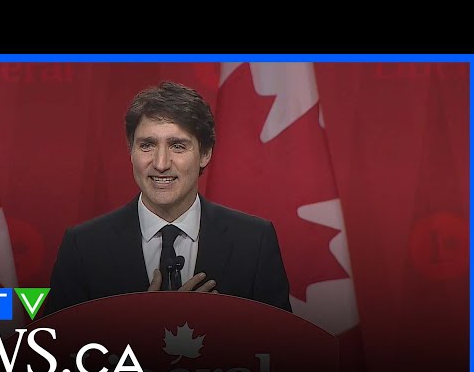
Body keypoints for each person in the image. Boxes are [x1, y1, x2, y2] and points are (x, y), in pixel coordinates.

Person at [45, 81, 291, 314]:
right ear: (131, 152)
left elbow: (283, 350)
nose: (161, 164)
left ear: (205, 154)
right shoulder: (84, 247)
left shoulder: (254, 242)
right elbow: (57, 352)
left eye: (178, 146)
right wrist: (144, 328)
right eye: (147, 145)